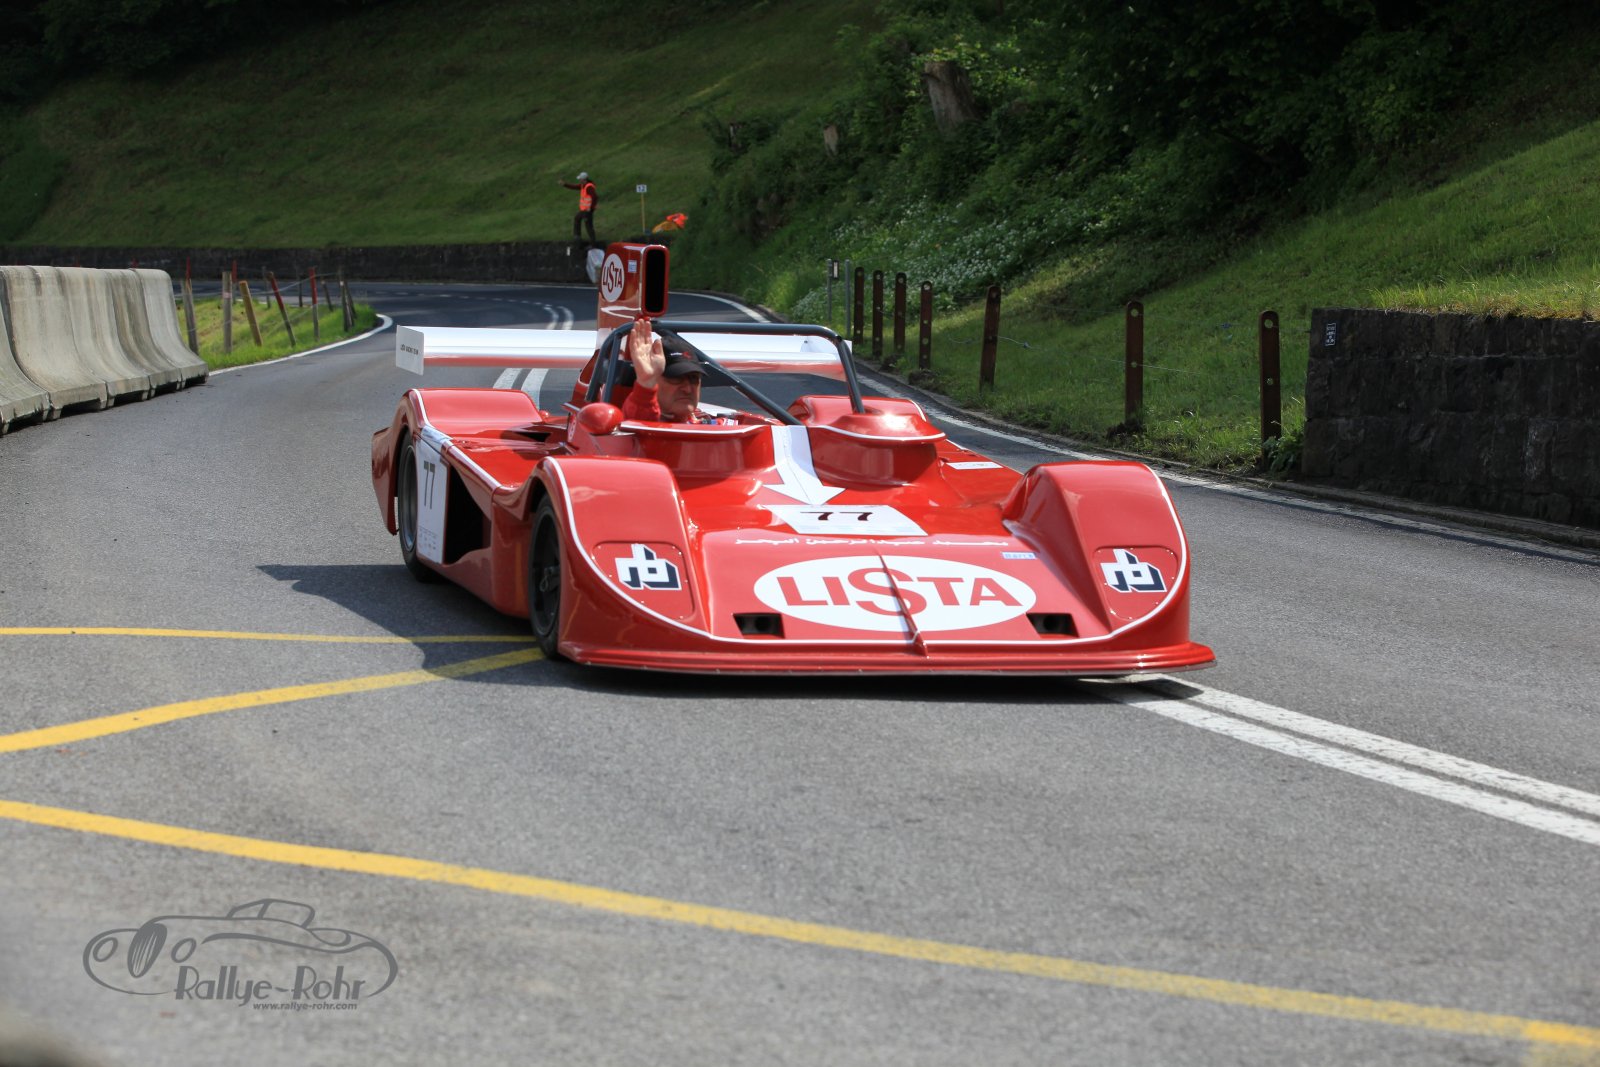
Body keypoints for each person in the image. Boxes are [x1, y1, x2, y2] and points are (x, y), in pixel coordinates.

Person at [621, 320, 734, 424]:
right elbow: (638, 421)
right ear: (655, 383)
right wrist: (646, 383)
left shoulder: (712, 423)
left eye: (693, 378)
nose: (687, 389)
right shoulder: (643, 423)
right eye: (676, 378)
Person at [558, 171, 598, 245]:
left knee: (588, 225)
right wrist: (564, 184)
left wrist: (591, 207)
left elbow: (595, 197)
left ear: (584, 179)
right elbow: (574, 187)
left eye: (580, 179)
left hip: (588, 210)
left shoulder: (589, 187)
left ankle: (593, 243)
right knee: (577, 218)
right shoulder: (583, 186)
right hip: (584, 210)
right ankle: (577, 237)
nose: (579, 180)